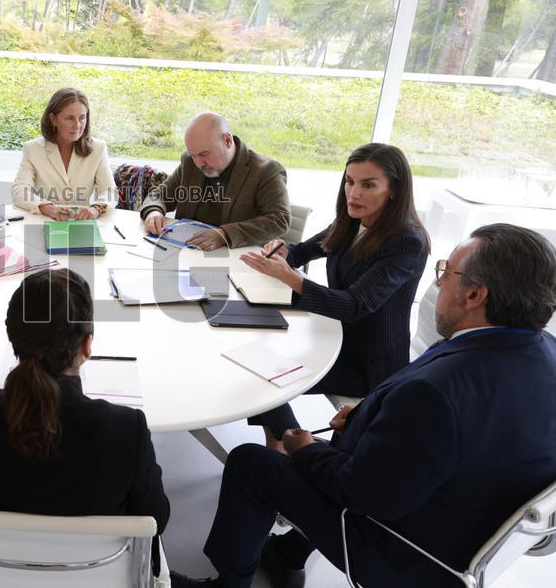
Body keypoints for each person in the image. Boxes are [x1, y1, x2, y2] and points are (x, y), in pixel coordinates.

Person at [170, 224, 556, 588]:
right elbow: (464, 436)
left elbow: (363, 494)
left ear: (475, 296)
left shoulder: (434, 392)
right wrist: (372, 419)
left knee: (253, 463)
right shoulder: (544, 352)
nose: (438, 282)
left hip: (407, 548)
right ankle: (288, 555)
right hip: (467, 521)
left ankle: (229, 582)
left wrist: (303, 450)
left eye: (446, 272)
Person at [0, 268, 170, 534]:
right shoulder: (125, 429)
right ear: (87, 345)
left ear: (12, 336)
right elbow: (154, 521)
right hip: (90, 572)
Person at [243, 143, 429, 450]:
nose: (353, 193)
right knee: (257, 359)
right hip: (332, 338)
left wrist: (287, 276)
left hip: (367, 362)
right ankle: (282, 445)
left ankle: (289, 448)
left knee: (266, 377)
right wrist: (282, 252)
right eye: (350, 181)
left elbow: (353, 305)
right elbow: (302, 252)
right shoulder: (353, 220)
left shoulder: (407, 241)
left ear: (394, 190)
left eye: (368, 185)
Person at [140, 112, 290, 250]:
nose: (199, 163)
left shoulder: (266, 171)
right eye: (193, 155)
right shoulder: (190, 162)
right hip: (185, 252)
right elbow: (159, 195)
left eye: (204, 154)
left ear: (227, 140)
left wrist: (225, 234)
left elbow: (279, 219)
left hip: (236, 259)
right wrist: (153, 211)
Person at [10, 87, 117, 221]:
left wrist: (95, 209)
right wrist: (48, 208)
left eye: (82, 118)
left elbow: (110, 191)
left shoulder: (98, 148)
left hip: (80, 224)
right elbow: (20, 190)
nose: (77, 126)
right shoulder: (33, 149)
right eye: (69, 118)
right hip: (46, 220)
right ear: (53, 119)